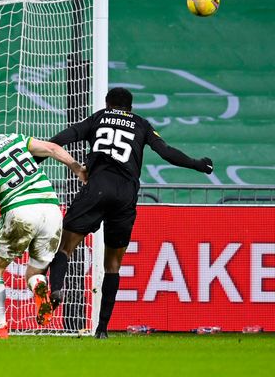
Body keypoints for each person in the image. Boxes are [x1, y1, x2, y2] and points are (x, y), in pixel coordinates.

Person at [45, 87, 214, 339]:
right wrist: (197, 164)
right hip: (125, 195)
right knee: (113, 265)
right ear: (130, 107)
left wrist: (39, 155)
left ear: (107, 103)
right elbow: (166, 152)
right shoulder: (141, 124)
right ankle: (102, 330)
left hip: (97, 189)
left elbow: (63, 138)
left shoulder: (97, 118)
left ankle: (56, 289)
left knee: (64, 248)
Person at [0, 108, 87, 339]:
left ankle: (0, 329)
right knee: (35, 271)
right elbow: (51, 148)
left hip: (21, 211)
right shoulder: (12, 138)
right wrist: (75, 167)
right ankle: (39, 287)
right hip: (51, 209)